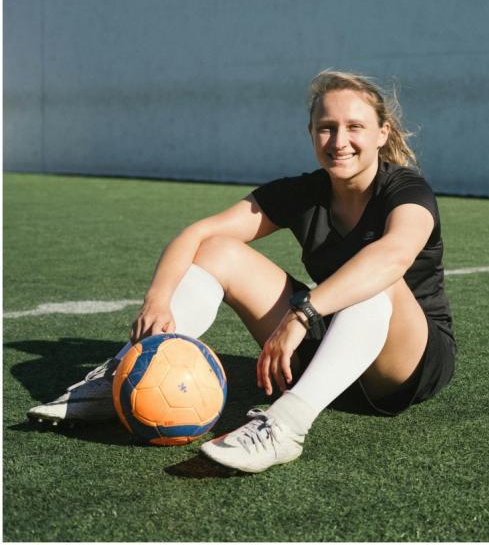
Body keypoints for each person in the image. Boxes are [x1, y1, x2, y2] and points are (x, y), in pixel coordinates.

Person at [28, 70, 457, 473]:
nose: (339, 140)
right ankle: (120, 380)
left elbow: (393, 256)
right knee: (218, 250)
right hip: (329, 350)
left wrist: (303, 312)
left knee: (376, 283)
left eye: (354, 127)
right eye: (326, 127)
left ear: (382, 133)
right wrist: (157, 299)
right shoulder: (303, 192)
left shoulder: (406, 189)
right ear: (311, 133)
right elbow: (197, 235)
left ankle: (285, 427)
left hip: (402, 364)